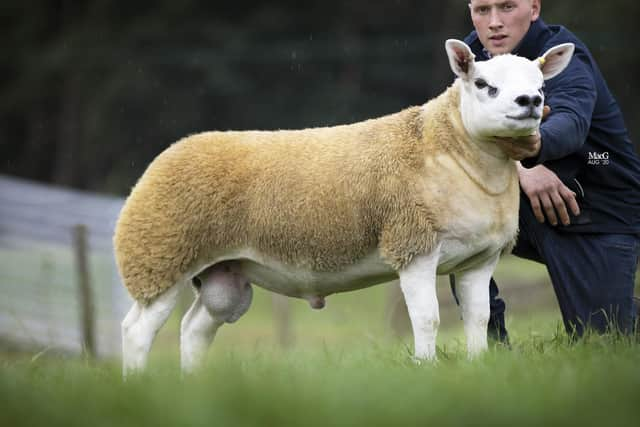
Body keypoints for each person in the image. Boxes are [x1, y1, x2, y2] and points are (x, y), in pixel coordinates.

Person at [450, 0, 640, 341]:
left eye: (507, 7)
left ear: (534, 8)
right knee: (454, 212)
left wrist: (533, 149)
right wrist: (523, 167)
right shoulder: (474, 57)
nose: (494, 22)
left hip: (599, 199)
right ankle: (490, 351)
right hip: (529, 209)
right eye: (482, 10)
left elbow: (571, 121)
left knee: (603, 340)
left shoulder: (564, 55)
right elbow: (463, 129)